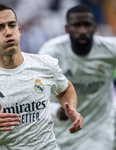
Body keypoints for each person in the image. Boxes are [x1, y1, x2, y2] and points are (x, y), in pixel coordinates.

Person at [0, 3, 83, 150]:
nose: (8, 32)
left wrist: (72, 109)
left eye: (12, 25)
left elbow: (65, 88)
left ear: (19, 31)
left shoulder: (45, 65)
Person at [38, 4, 116, 150]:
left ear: (95, 27)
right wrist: (56, 110)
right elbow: (35, 95)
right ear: (67, 28)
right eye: (76, 25)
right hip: (62, 130)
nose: (82, 31)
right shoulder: (51, 52)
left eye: (87, 25)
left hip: (99, 127)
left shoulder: (110, 49)